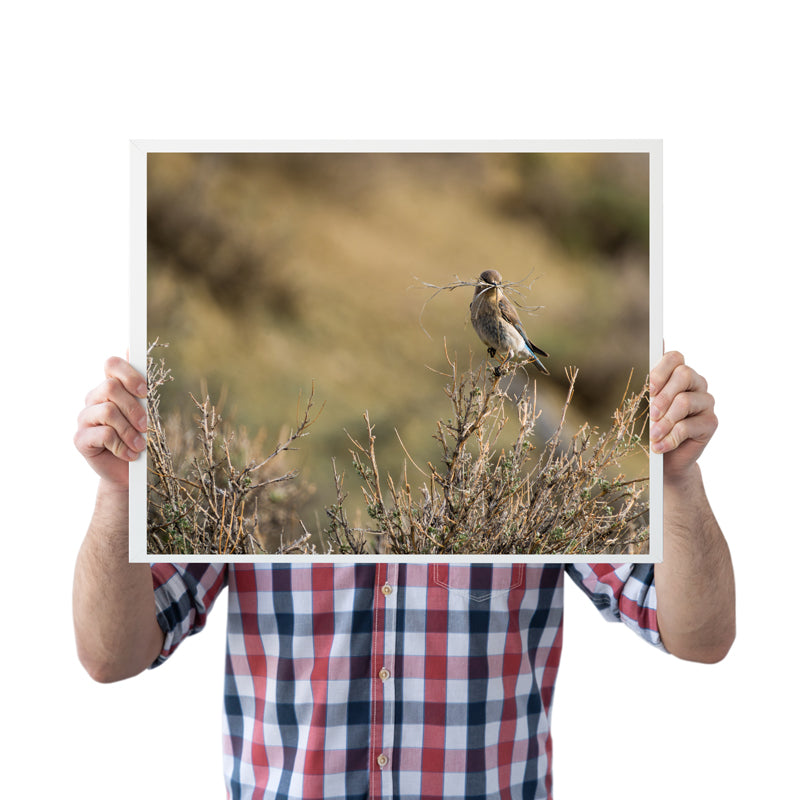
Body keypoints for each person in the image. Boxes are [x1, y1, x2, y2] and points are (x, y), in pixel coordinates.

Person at [73, 351, 734, 800]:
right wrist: (118, 493)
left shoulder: (533, 474)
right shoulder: (246, 477)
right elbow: (111, 654)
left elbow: (699, 636)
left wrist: (677, 480)